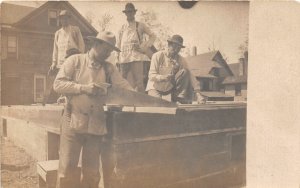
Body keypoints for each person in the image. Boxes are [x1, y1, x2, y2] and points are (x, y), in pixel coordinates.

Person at [53, 31, 133, 188]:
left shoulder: (109, 68)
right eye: (106, 50)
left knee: (92, 175)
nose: (108, 54)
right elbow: (57, 84)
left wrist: (139, 97)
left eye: (110, 51)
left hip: (96, 126)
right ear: (95, 44)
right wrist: (83, 88)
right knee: (67, 171)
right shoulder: (75, 61)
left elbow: (124, 86)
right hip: (73, 121)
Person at [146, 34, 206, 104]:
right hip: (155, 87)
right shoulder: (157, 56)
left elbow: (191, 75)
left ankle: (179, 97)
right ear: (169, 45)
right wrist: (162, 77)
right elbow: (151, 76)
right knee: (157, 105)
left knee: (185, 72)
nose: (176, 50)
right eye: (174, 47)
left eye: (178, 48)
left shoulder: (180, 59)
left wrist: (198, 93)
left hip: (169, 88)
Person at [44, 10, 85, 104]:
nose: (64, 20)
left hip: (72, 59)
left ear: (69, 19)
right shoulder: (57, 33)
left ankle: (72, 101)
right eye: (62, 19)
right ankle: (62, 100)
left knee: (72, 80)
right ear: (60, 20)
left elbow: (81, 45)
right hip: (60, 62)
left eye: (66, 18)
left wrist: (80, 59)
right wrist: (54, 62)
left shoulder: (75, 30)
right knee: (61, 81)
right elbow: (55, 49)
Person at [117, 2, 156, 92]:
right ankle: (122, 102)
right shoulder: (122, 27)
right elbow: (118, 43)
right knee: (121, 81)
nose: (129, 14)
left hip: (136, 57)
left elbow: (153, 36)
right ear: (125, 13)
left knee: (139, 82)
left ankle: (141, 104)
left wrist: (145, 47)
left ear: (134, 12)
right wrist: (117, 57)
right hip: (124, 58)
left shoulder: (140, 25)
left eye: (131, 12)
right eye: (127, 12)